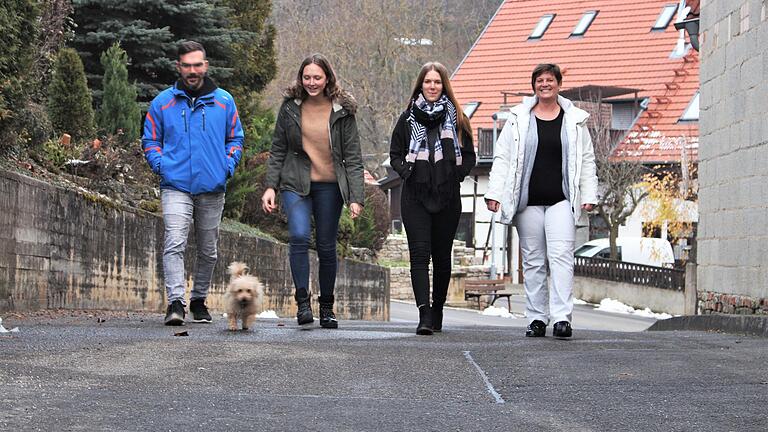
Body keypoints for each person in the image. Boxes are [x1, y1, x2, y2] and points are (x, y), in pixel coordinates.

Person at [484, 63, 598, 338]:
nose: (544, 84)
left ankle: (561, 319)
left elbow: (586, 159)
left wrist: (590, 194)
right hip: (528, 201)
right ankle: (536, 318)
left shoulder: (575, 120)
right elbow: (504, 158)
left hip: (562, 199)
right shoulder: (519, 118)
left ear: (559, 84)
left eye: (550, 80)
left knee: (561, 257)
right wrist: (494, 193)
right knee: (533, 261)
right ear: (533, 85)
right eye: (539, 80)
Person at [142, 41, 244, 326]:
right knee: (174, 241)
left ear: (205, 66)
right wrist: (162, 166)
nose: (192, 70)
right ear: (178, 67)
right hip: (175, 185)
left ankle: (199, 299)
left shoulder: (224, 101)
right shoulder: (162, 102)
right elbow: (150, 139)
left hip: (212, 187)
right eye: (186, 65)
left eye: (197, 65)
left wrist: (226, 166)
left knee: (208, 250)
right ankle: (176, 302)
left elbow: (235, 137)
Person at [261, 54, 364, 329]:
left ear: (328, 77)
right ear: (300, 78)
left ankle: (327, 307)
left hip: (330, 186)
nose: (311, 82)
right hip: (295, 183)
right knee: (298, 236)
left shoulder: (343, 110)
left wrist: (356, 197)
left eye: (317, 77)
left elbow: (353, 157)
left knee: (326, 246)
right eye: (307, 77)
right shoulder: (290, 107)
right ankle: (302, 302)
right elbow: (278, 149)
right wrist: (270, 186)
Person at [389, 62, 476, 335]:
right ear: (421, 85)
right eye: (428, 82)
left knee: (442, 257)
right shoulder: (407, 119)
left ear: (444, 85)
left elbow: (470, 155)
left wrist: (457, 173)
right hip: (415, 196)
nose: (432, 86)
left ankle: (437, 308)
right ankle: (424, 314)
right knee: (419, 255)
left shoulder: (458, 119)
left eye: (437, 82)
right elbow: (394, 154)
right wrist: (408, 171)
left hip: (447, 197)